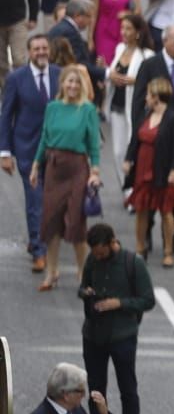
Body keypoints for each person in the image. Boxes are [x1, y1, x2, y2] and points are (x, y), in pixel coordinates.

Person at [77, 223, 152, 414]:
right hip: (94, 335)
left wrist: (118, 303)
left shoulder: (133, 263)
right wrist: (86, 293)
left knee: (128, 391)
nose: (97, 257)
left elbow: (147, 300)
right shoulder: (92, 260)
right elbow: (82, 287)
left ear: (112, 243)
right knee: (97, 391)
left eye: (101, 252)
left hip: (123, 336)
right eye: (94, 253)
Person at [33, 61, 99, 291]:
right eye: (69, 81)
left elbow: (94, 144)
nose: (73, 85)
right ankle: (52, 272)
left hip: (77, 168)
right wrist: (35, 166)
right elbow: (44, 138)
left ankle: (83, 273)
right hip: (54, 168)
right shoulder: (52, 107)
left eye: (76, 82)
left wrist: (95, 172)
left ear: (81, 85)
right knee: (51, 221)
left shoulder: (87, 109)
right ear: (62, 84)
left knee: (76, 223)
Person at [0, 35, 60, 274]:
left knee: (53, 201)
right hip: (27, 148)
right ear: (28, 53)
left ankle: (43, 237)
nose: (41, 52)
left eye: (45, 48)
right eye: (36, 49)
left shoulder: (60, 74)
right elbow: (5, 116)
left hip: (56, 150)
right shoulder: (16, 79)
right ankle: (39, 250)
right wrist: (4, 152)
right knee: (35, 200)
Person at [121, 74, 174, 265]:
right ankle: (140, 248)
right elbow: (135, 139)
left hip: (162, 169)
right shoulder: (145, 115)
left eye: (148, 94)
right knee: (141, 209)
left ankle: (168, 251)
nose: (145, 97)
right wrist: (128, 159)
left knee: (166, 211)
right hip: (142, 168)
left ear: (157, 95)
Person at [129, 25, 174, 156]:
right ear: (165, 41)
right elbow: (138, 101)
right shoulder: (149, 65)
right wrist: (139, 130)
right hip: (157, 133)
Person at [104, 14, 153, 188]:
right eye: (122, 28)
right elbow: (112, 71)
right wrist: (110, 74)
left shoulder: (146, 54)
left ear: (138, 32)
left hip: (136, 107)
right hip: (117, 104)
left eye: (128, 28)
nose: (123, 32)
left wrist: (136, 81)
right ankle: (126, 188)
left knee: (133, 148)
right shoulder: (119, 49)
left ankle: (135, 188)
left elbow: (152, 80)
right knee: (118, 151)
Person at [87, 0, 138, 70]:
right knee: (105, 64)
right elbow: (93, 14)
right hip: (103, 32)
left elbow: (138, 11)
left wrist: (127, 13)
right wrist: (90, 38)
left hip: (124, 31)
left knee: (123, 63)